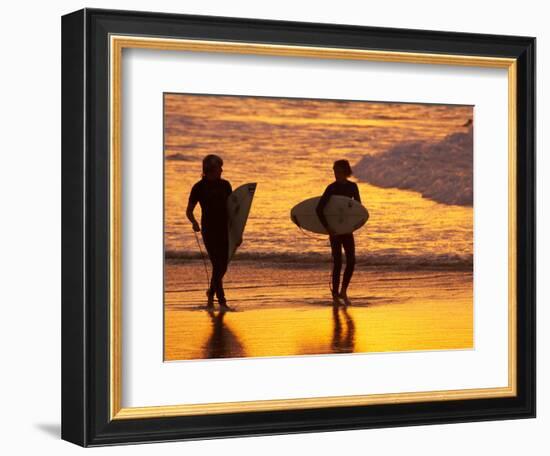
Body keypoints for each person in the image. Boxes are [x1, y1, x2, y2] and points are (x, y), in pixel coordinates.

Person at [186, 154, 232, 310]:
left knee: (223, 266)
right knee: (217, 265)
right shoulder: (198, 187)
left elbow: (232, 211)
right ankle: (222, 302)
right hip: (209, 230)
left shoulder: (226, 185)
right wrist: (194, 222)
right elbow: (189, 211)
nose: (222, 170)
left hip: (224, 229)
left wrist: (237, 232)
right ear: (210, 169)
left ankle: (210, 293)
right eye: (219, 167)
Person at [316, 160, 361, 305]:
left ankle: (343, 291)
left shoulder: (353, 187)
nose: (335, 174)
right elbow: (319, 209)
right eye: (334, 171)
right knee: (337, 262)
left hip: (347, 229)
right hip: (334, 231)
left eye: (338, 171)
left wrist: (354, 226)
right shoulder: (331, 188)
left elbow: (358, 209)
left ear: (345, 172)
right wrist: (328, 228)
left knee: (351, 261)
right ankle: (335, 295)